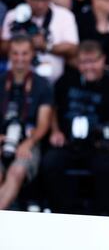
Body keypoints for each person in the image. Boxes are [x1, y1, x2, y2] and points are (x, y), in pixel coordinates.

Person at [41, 40, 109, 215]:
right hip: (68, 144)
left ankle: (103, 218)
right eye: (83, 62)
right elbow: (52, 107)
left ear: (103, 60)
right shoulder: (67, 80)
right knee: (50, 162)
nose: (88, 67)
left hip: (98, 147)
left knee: (107, 167)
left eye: (93, 61)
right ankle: (61, 214)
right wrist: (55, 131)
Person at [0, 35, 53, 209]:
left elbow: (43, 123)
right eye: (15, 54)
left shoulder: (42, 84)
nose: (20, 58)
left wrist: (27, 143)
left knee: (17, 171)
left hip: (29, 141)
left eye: (24, 53)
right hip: (2, 139)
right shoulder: (1, 81)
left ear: (32, 55)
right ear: (9, 55)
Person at [1, 0, 79, 84]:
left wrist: (46, 46)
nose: (40, 5)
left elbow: (73, 49)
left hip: (52, 83)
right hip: (17, 79)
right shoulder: (14, 15)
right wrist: (22, 42)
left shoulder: (65, 16)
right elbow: (2, 47)